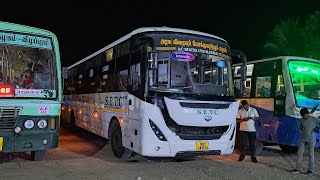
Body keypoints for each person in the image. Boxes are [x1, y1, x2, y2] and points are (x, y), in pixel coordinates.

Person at [291, 108, 320, 175]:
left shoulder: (314, 119)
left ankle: (310, 170)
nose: (305, 117)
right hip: (303, 138)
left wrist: (317, 128)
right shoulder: (301, 120)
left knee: (311, 154)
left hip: (311, 139)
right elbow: (300, 127)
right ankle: (297, 169)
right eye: (303, 116)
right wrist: (302, 128)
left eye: (306, 115)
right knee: (299, 153)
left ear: (308, 113)